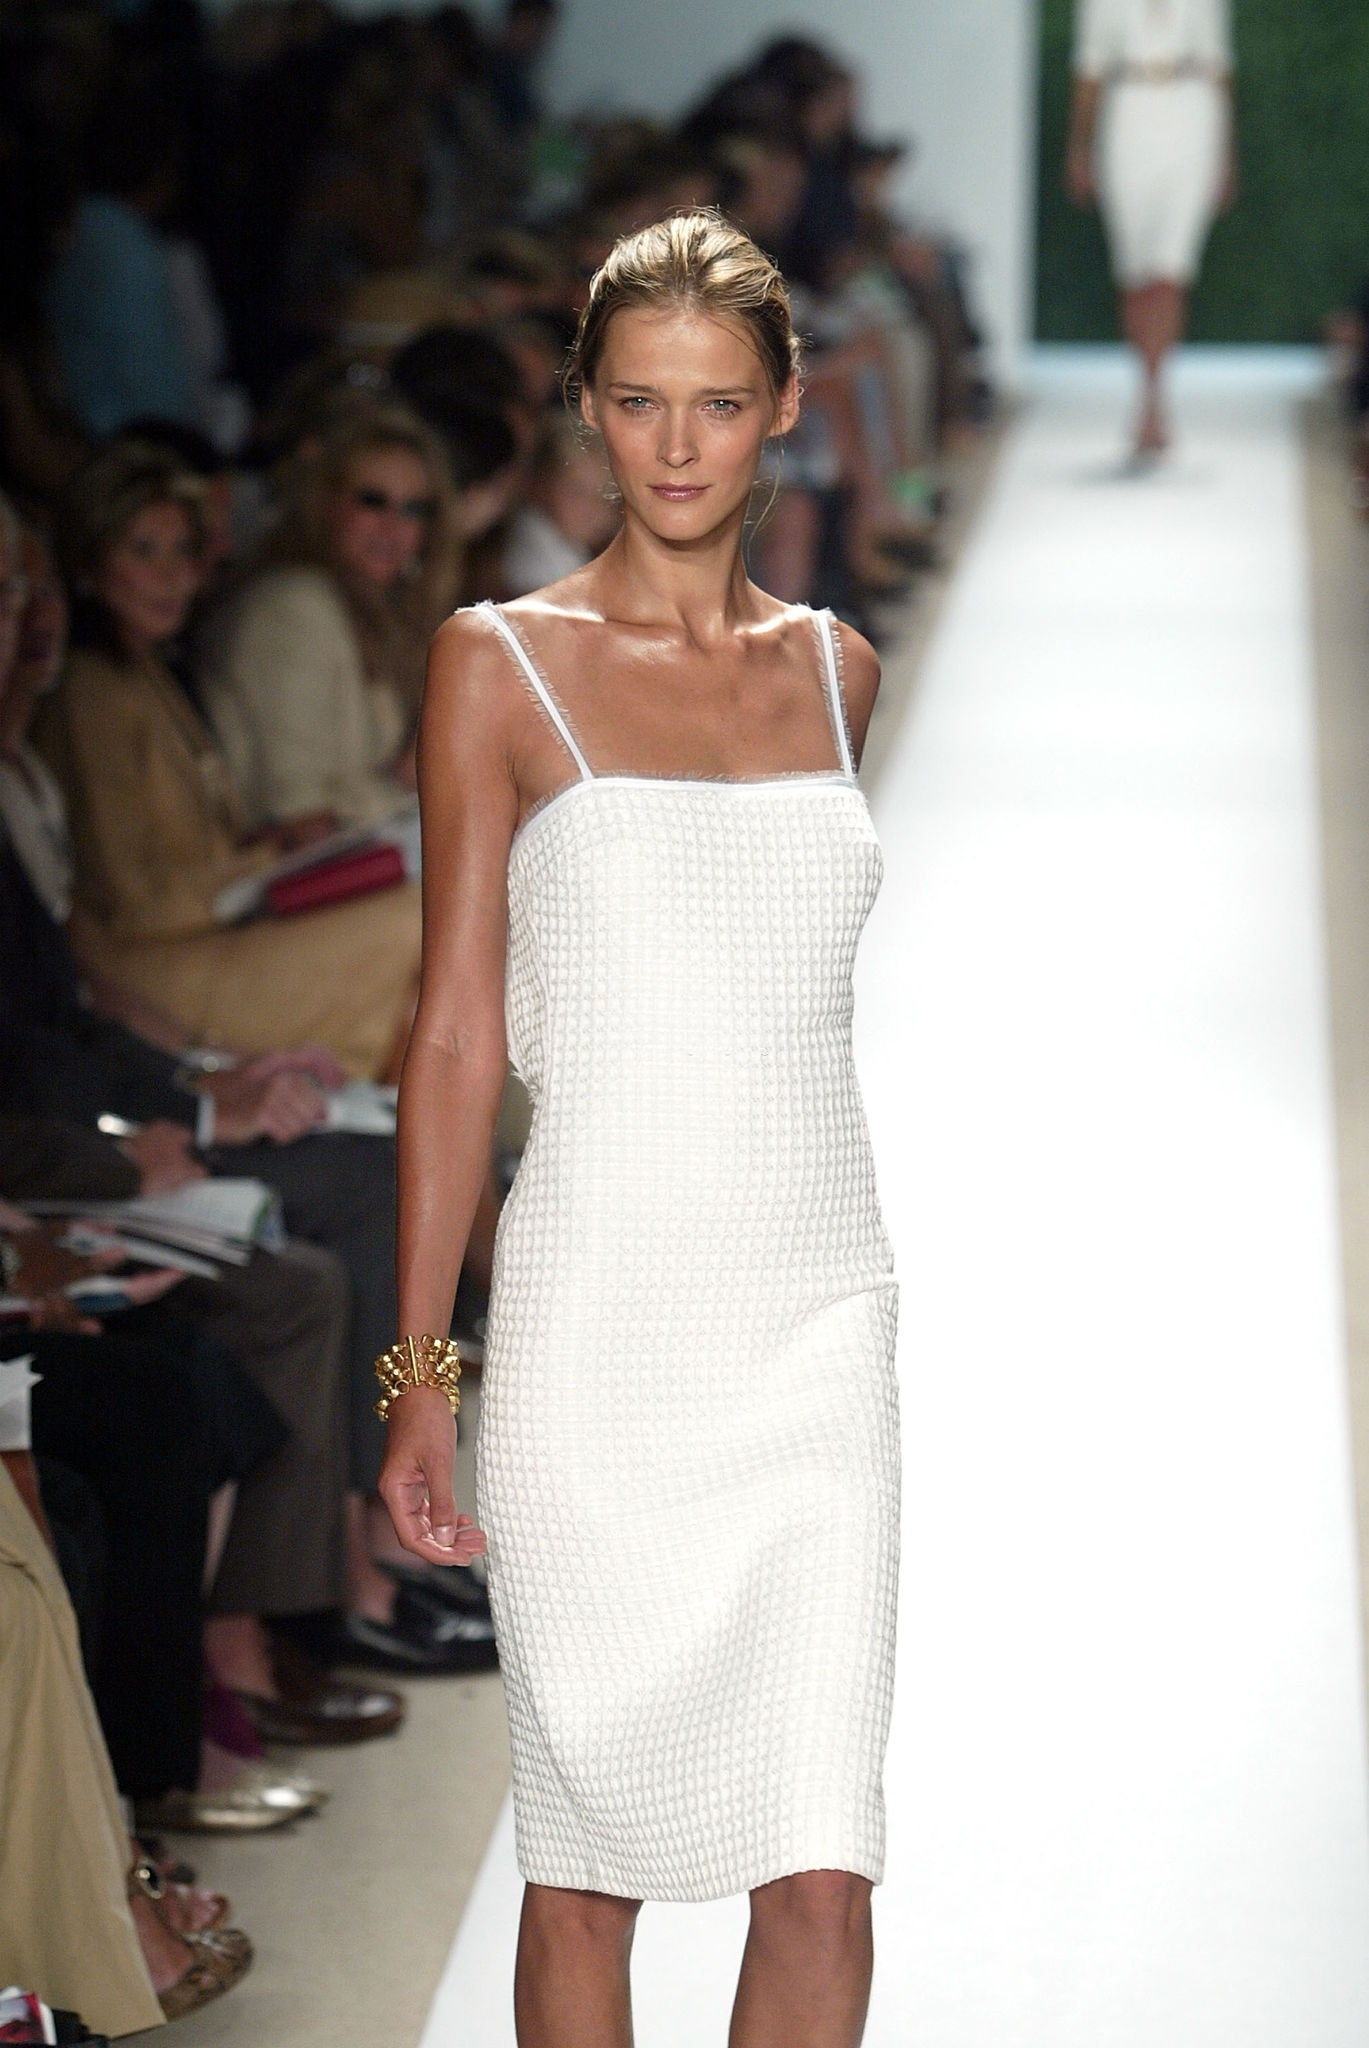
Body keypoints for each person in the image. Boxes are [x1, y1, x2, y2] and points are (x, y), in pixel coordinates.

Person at [380, 212, 899, 2047]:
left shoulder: (836, 672)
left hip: (815, 1326)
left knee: (823, 1869)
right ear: (585, 409)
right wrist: (423, 1371)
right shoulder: (495, 664)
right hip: (596, 1339)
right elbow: (454, 1036)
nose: (676, 446)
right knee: (584, 1866)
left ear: (784, 408)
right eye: (636, 401)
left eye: (718, 403)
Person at [35, 441, 423, 1079]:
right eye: (143, 551)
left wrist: (270, 857)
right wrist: (265, 861)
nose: (170, 575)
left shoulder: (146, 673)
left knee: (431, 921)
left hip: (206, 932)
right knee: (424, 920)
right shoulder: (89, 693)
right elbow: (131, 904)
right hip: (146, 968)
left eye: (183, 551)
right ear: (89, 560)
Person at [201, 405, 460, 834]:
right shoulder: (293, 609)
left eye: (414, 509)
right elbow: (296, 816)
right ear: (324, 502)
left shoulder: (369, 611)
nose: (393, 527)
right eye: (373, 501)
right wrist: (408, 785)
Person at [1066, 0, 1236, 459]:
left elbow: (1219, 66)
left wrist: (1226, 154)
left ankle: (1155, 398)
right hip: (1128, 113)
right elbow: (1089, 68)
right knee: (1134, 272)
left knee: (1172, 270)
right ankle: (1146, 388)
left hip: (1191, 116)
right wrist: (1080, 149)